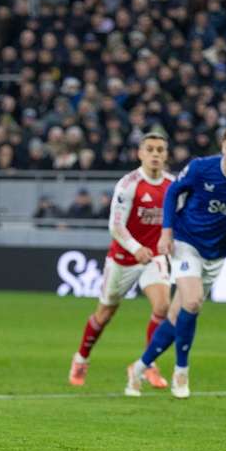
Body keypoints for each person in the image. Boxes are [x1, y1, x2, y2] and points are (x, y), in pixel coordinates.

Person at [126, 125, 226, 398]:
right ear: (222, 148)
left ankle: (139, 367)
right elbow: (172, 192)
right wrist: (166, 231)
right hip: (186, 241)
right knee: (193, 301)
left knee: (178, 315)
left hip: (218, 253)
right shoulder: (201, 168)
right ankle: (181, 371)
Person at [69, 133, 174, 389]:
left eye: (160, 149)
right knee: (105, 313)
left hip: (154, 256)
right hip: (123, 258)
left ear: (166, 154)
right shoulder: (129, 184)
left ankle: (147, 364)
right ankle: (81, 358)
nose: (155, 154)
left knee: (163, 307)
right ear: (140, 153)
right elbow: (115, 226)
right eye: (150, 149)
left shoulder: (173, 184)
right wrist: (136, 248)